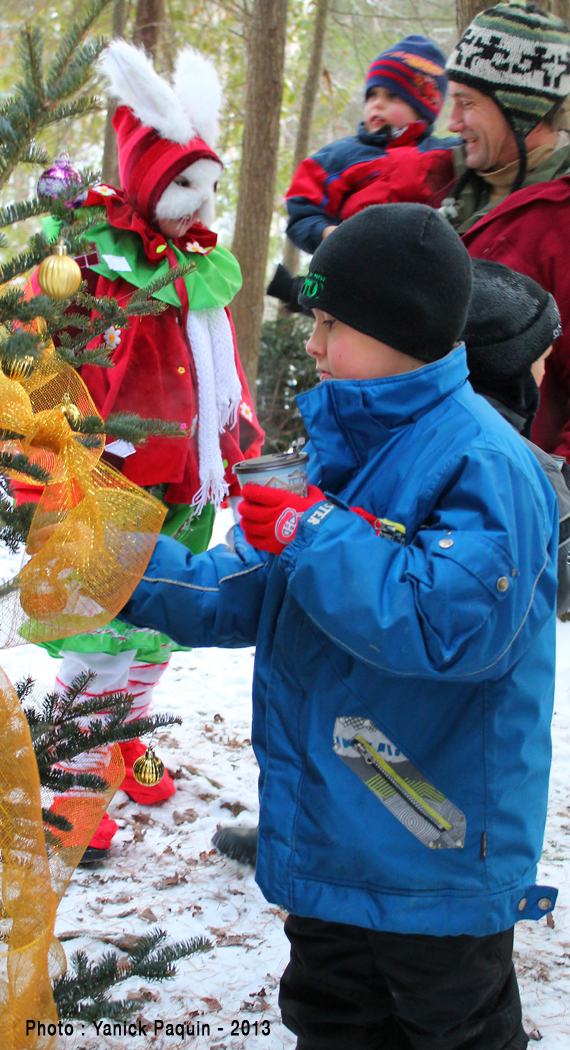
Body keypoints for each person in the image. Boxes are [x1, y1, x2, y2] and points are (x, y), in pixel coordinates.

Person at [118, 203, 558, 1050]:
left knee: (455, 1031)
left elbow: (449, 628)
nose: (313, 345)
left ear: (404, 331)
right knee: (331, 1021)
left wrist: (311, 528)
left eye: (332, 325)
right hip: (330, 842)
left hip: (434, 851)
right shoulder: (339, 449)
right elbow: (236, 589)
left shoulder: (486, 463)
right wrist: (104, 556)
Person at [20, 40, 263, 861]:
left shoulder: (200, 270)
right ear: (146, 178)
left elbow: (224, 376)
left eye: (209, 187)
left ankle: (121, 742)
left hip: (183, 486)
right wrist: (46, 462)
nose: (199, 206)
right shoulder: (87, 261)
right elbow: (42, 360)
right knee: (100, 641)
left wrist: (241, 451)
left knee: (156, 633)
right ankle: (71, 796)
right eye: (183, 186)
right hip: (107, 483)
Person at [437, 1, 570, 461]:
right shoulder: (455, 190)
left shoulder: (560, 221)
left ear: (520, 108)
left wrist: (554, 490)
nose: (453, 122)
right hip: (440, 473)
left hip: (515, 486)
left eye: (467, 103)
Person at [282, 35, 457, 257]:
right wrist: (331, 235)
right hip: (355, 262)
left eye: (393, 96)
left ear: (422, 109)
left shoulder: (444, 153)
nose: (377, 104)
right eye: (372, 95)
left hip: (425, 265)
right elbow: (303, 210)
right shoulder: (340, 157)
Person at [463, 258, 570, 616]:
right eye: (542, 360)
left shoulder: (420, 431)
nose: (545, 373)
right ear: (512, 366)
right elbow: (559, 589)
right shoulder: (529, 468)